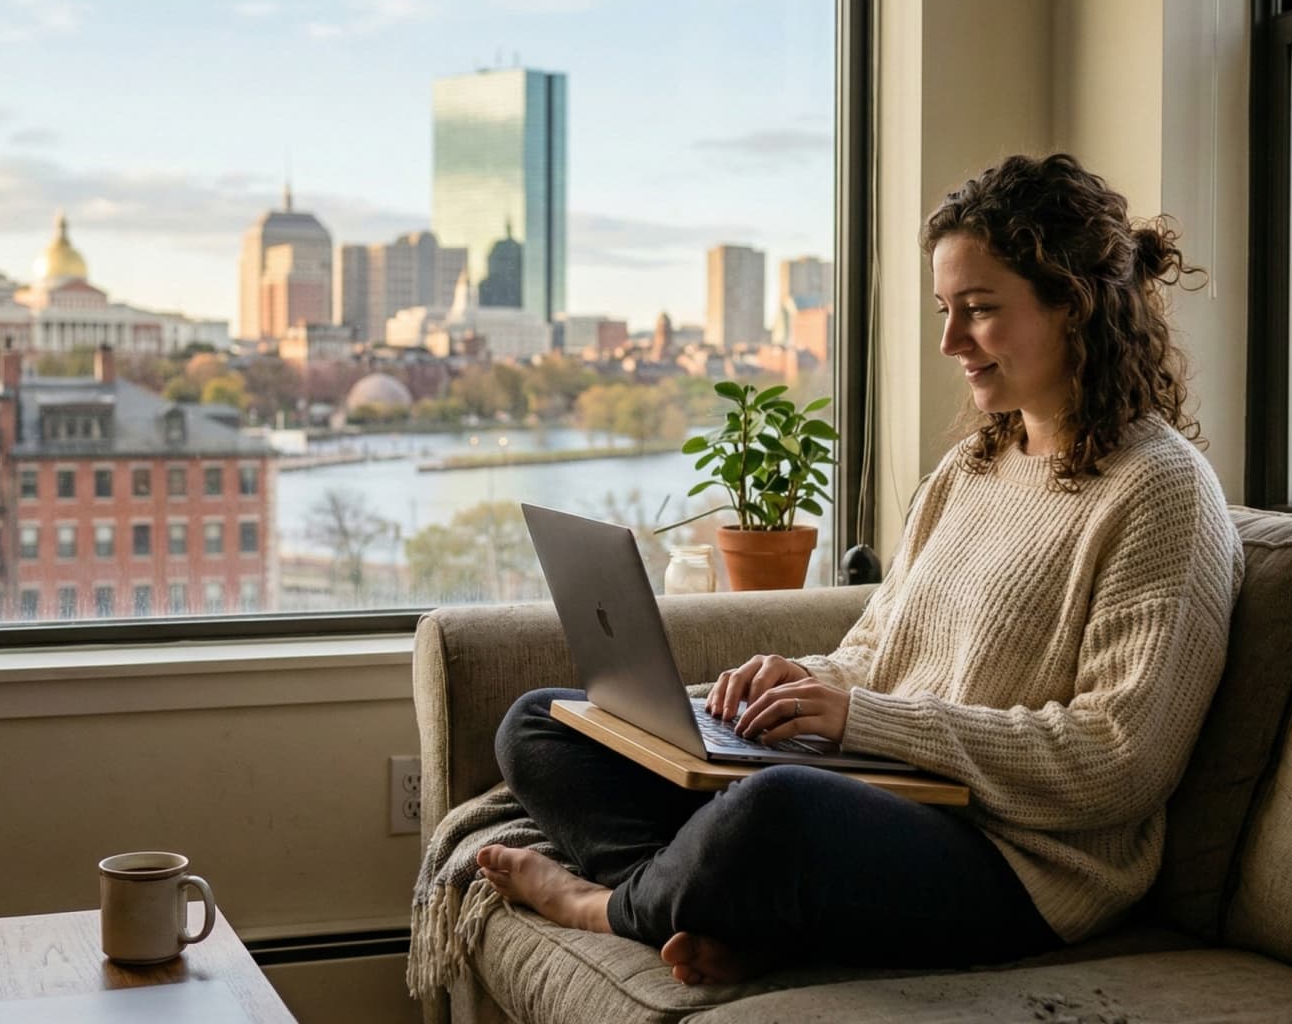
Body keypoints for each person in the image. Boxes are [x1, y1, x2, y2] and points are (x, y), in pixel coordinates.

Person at [475, 152, 1244, 985]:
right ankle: (713, 898)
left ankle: (605, 903)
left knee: (777, 812)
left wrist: (861, 722)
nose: (950, 342)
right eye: (946, 310)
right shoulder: (971, 471)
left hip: (1017, 862)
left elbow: (1119, 761)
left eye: (979, 311)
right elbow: (876, 653)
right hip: (887, 796)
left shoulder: (1160, 493)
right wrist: (796, 684)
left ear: (1076, 306)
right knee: (546, 722)